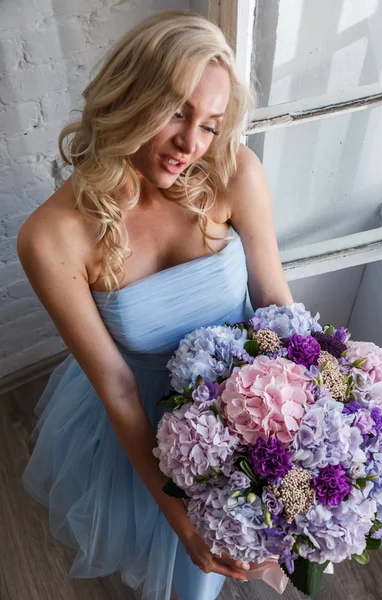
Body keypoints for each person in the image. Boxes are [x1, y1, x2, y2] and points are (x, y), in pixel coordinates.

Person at [17, 10, 293, 600]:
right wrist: (180, 517)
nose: (191, 146)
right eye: (175, 112)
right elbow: (117, 389)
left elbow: (273, 304)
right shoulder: (51, 238)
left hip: (254, 404)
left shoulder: (234, 171)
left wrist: (312, 423)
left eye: (211, 125)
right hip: (146, 424)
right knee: (187, 574)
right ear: (129, 97)